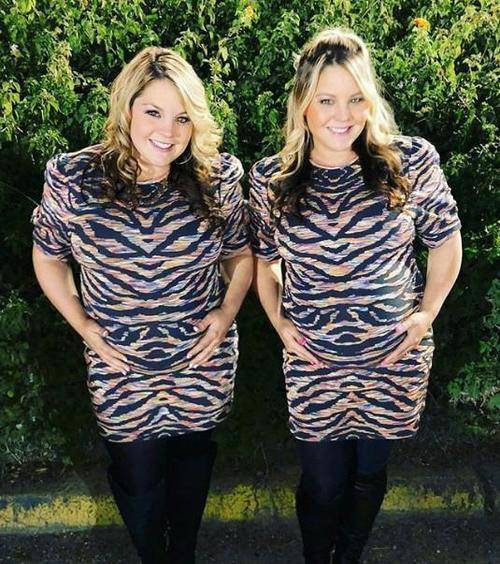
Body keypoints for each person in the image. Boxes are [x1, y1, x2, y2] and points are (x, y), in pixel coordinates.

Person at [249, 28, 462, 564]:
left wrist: (426, 314)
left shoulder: (410, 162)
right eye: (326, 100)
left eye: (354, 98)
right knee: (322, 483)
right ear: (302, 104)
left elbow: (446, 241)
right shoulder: (272, 180)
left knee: (369, 473)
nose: (341, 115)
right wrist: (279, 322)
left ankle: (349, 557)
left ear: (370, 100)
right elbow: (264, 262)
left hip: (393, 360)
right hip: (315, 365)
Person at [32, 46, 252, 564]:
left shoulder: (216, 177)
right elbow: (48, 257)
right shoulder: (75, 179)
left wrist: (226, 314)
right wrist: (83, 325)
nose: (168, 131)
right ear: (126, 108)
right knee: (138, 480)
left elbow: (241, 254)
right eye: (153, 111)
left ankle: (183, 554)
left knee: (192, 473)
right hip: (121, 369)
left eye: (182, 117)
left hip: (200, 365)